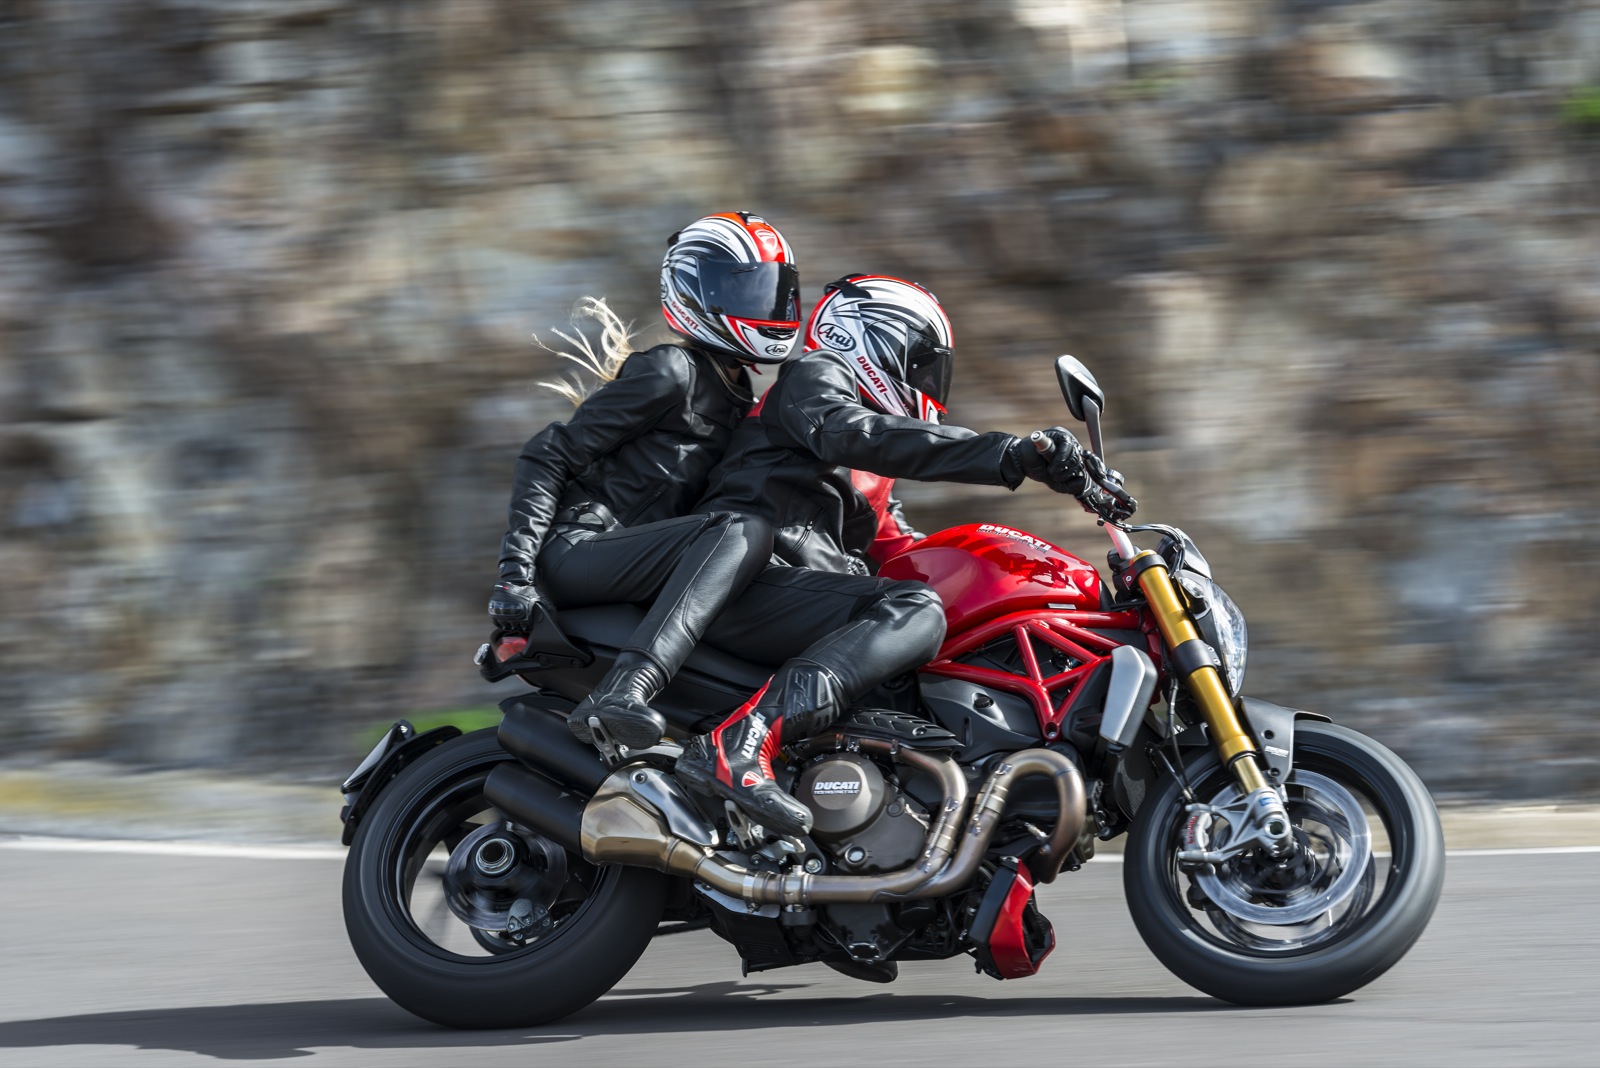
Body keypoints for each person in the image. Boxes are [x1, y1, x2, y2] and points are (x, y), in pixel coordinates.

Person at [674, 274, 1136, 835]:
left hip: (797, 598)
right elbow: (860, 433)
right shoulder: (814, 379)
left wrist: (1019, 579)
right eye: (921, 363)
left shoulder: (870, 475)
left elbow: (907, 554)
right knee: (914, 609)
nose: (928, 382)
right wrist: (1011, 454)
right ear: (868, 337)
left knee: (932, 646)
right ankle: (740, 742)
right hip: (744, 576)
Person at [488, 211, 802, 753]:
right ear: (694, 294)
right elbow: (547, 454)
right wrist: (515, 576)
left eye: (771, 293)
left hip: (639, 564)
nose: (764, 308)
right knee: (739, 531)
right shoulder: (671, 371)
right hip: (580, 549)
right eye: (744, 291)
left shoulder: (741, 402)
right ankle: (624, 691)